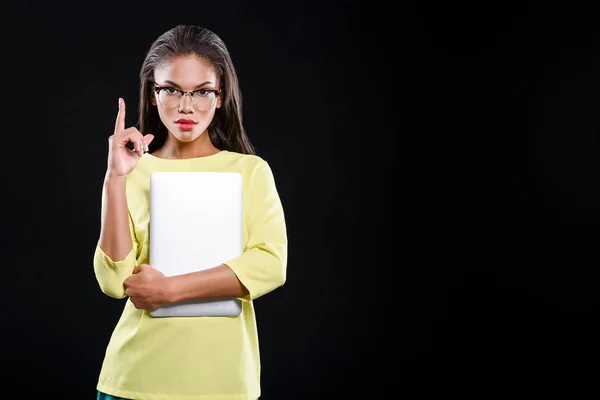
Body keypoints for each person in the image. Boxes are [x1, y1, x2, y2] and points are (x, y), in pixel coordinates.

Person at [93, 24, 288, 400]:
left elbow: (270, 264)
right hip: (135, 381)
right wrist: (115, 178)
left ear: (220, 96)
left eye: (202, 92)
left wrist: (169, 290)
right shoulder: (133, 171)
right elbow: (113, 281)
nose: (186, 106)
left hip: (224, 383)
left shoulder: (250, 171)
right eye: (171, 90)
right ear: (153, 94)